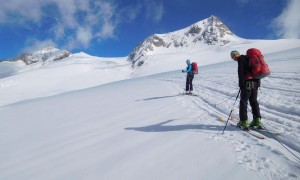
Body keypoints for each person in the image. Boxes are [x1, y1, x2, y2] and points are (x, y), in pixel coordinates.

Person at [230, 50, 262, 130]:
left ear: (234, 56)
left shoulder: (241, 59)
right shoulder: (249, 58)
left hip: (247, 84)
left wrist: (241, 85)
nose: (233, 58)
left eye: (232, 56)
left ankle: (243, 121)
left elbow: (241, 73)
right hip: (256, 82)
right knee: (254, 101)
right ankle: (257, 120)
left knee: (243, 101)